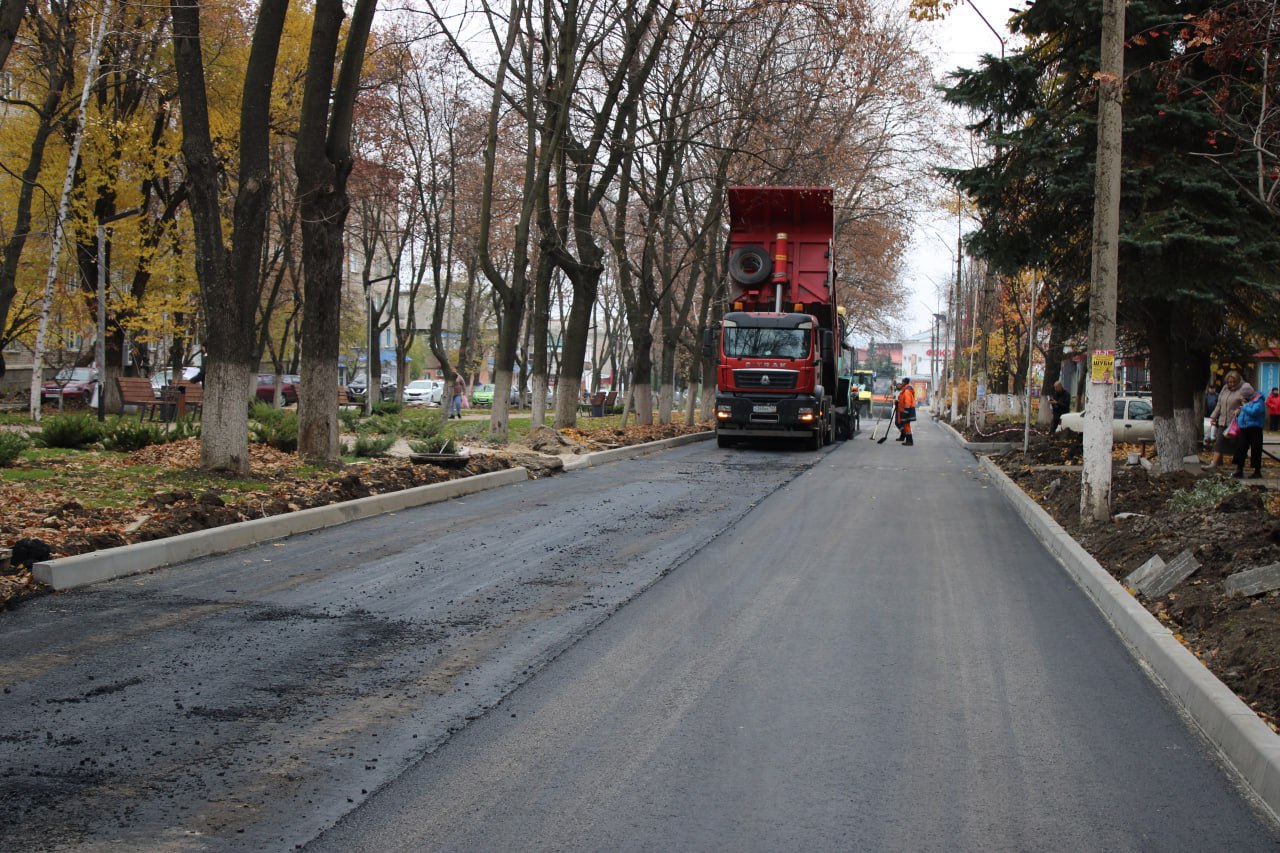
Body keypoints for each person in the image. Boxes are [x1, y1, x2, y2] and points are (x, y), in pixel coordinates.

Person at [1203, 370, 1255, 471]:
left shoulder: (1243, 389)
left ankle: (1239, 468)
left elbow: (1248, 404)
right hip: (1223, 421)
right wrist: (1214, 416)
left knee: (1237, 446)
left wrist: (1239, 409)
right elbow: (1219, 404)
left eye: (1233, 382)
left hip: (1236, 423)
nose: (1231, 384)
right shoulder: (1225, 389)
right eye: (1229, 382)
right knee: (1219, 443)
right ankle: (1213, 464)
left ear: (1238, 381)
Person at [1232, 388, 1267, 479]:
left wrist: (1244, 407)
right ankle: (1239, 469)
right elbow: (1244, 413)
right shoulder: (1247, 403)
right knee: (1241, 448)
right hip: (1244, 428)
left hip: (1255, 428)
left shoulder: (1258, 401)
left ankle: (1257, 471)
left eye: (1243, 396)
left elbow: (1253, 412)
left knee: (1256, 449)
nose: (1242, 398)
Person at [895, 377, 916, 446]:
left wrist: (906, 412)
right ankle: (908, 440)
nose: (901, 383)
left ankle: (909, 441)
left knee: (906, 426)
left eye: (902, 382)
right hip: (904, 410)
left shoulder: (907, 391)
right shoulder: (905, 390)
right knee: (905, 425)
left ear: (905, 382)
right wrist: (898, 402)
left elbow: (907, 403)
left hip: (907, 411)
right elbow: (903, 401)